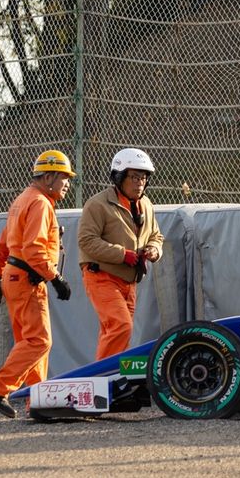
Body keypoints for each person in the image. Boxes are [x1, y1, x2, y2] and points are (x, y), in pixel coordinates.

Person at [0, 150, 75, 418]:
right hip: (27, 279)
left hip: (13, 276)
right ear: (48, 177)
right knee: (39, 341)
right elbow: (34, 249)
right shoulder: (41, 204)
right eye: (64, 177)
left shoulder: (22, 200)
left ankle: (39, 402)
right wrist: (56, 278)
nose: (68, 183)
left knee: (28, 341)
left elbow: (1, 245)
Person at [78, 148, 164, 360]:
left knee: (114, 332)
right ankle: (105, 377)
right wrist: (122, 255)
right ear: (118, 177)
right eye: (134, 177)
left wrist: (154, 249)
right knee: (121, 326)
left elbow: (156, 235)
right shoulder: (97, 204)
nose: (140, 183)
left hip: (129, 282)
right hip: (101, 277)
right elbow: (87, 241)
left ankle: (104, 378)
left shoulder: (146, 204)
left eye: (143, 178)